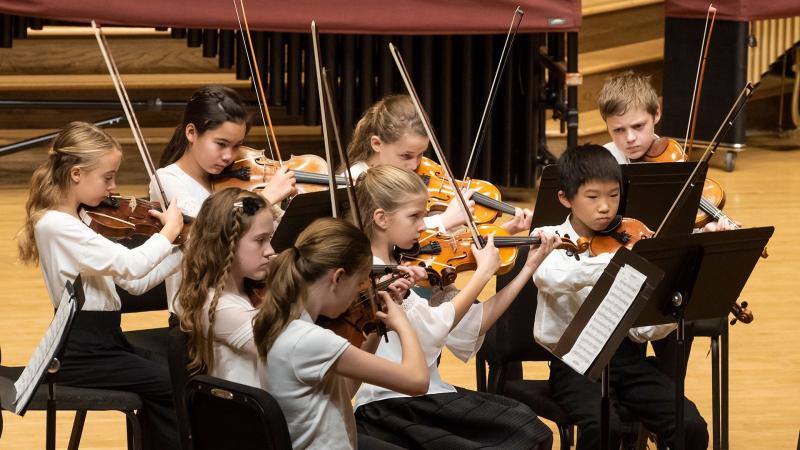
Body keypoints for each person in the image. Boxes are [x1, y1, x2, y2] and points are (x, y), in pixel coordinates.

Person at [352, 165, 558, 450]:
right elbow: (437, 329)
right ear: (381, 219)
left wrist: (529, 266)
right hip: (391, 406)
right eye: (415, 216)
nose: (425, 226)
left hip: (428, 397)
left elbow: (471, 325)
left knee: (527, 427)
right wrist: (482, 273)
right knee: (523, 434)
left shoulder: (403, 262)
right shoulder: (374, 272)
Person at [17, 121, 184, 449]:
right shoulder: (57, 226)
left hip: (107, 341)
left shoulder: (81, 220)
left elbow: (135, 283)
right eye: (107, 177)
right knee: (168, 383)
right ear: (76, 174)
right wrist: (169, 233)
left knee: (172, 373)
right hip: (81, 350)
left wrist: (185, 249)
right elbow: (131, 264)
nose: (113, 187)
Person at [531, 144, 709, 450]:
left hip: (627, 360)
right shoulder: (550, 238)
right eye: (592, 197)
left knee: (689, 424)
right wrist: (617, 263)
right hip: (573, 364)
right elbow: (551, 278)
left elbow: (643, 332)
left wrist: (673, 305)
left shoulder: (630, 236)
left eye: (613, 196)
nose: (605, 207)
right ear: (565, 198)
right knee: (603, 427)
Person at [252, 218, 430, 450]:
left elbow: (346, 390)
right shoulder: (310, 340)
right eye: (359, 283)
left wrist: (378, 321)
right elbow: (417, 381)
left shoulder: (284, 322)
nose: (360, 292)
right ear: (337, 278)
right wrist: (403, 322)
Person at [152, 85, 297, 320]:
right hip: (195, 318)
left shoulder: (235, 180)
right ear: (191, 132)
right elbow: (211, 232)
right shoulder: (168, 180)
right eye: (220, 144)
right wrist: (266, 198)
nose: (229, 156)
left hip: (247, 306)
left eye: (236, 145)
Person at [344, 94, 532, 234]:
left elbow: (443, 248)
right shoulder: (357, 182)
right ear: (377, 144)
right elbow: (386, 243)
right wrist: (444, 220)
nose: (415, 165)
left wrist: (507, 230)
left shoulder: (417, 172)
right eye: (406, 156)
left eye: (420, 155)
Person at [175, 188, 274, 388]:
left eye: (270, 238)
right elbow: (292, 352)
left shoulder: (251, 289)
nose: (271, 251)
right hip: (251, 416)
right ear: (226, 243)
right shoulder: (217, 308)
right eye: (260, 240)